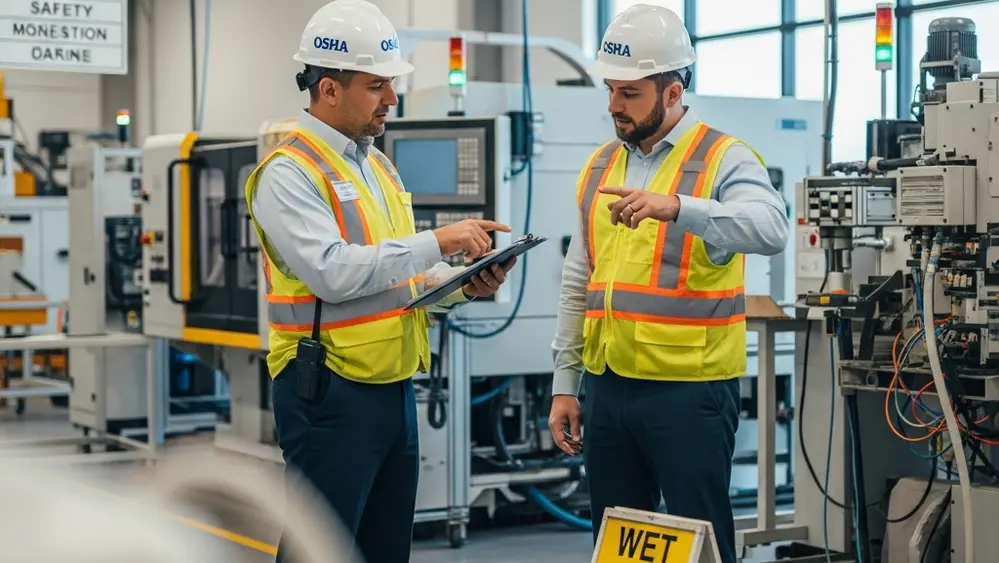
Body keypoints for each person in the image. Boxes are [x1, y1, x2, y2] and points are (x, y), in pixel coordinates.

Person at [244, 2, 516, 562]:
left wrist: (463, 284)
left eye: (390, 83)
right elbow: (334, 272)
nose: (391, 97)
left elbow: (399, 277)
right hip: (327, 389)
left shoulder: (376, 167)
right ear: (328, 89)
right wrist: (440, 240)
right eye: (377, 85)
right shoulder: (289, 173)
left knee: (385, 549)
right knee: (319, 550)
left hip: (392, 386)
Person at [546, 5, 789, 563]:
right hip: (608, 387)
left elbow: (771, 227)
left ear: (673, 92)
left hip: (689, 392)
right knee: (617, 543)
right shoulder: (600, 165)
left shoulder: (723, 158)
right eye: (610, 90)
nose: (613, 105)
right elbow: (578, 279)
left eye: (629, 93)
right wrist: (566, 382)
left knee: (699, 541)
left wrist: (680, 207)